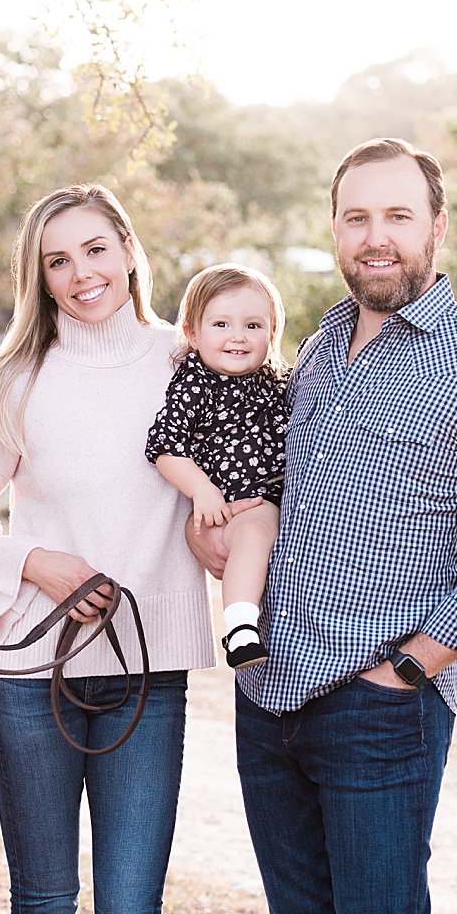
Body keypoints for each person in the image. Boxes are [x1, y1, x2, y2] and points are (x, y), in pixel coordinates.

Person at [190, 138, 457, 914]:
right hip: (269, 694)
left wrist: (410, 667)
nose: (375, 236)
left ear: (438, 227)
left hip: (380, 704)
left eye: (397, 215)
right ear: (334, 230)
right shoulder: (315, 351)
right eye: (356, 217)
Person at [0, 184, 215, 914]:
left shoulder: (187, 362)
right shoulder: (14, 380)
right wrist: (38, 561)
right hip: (29, 678)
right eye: (58, 260)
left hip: (148, 677)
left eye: (95, 249)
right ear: (40, 277)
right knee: (43, 912)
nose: (82, 272)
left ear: (127, 250)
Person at [145, 263, 289, 668]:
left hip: (274, 500)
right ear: (192, 332)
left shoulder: (278, 381)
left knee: (260, 533)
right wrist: (202, 490)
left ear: (271, 334)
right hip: (235, 503)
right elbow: (165, 447)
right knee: (255, 530)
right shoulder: (195, 383)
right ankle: (241, 628)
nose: (238, 336)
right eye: (221, 324)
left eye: (254, 326)